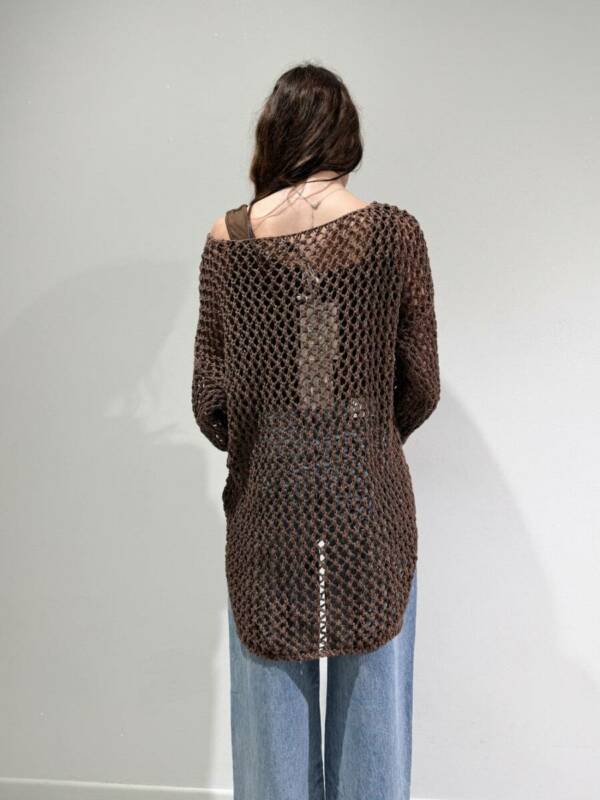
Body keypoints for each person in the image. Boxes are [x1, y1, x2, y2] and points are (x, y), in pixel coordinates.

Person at [191, 61, 441, 800]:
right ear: (345, 136)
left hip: (270, 506)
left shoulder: (228, 240)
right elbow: (421, 384)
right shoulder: (394, 234)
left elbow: (210, 401)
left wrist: (275, 444)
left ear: (274, 135)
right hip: (370, 503)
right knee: (374, 739)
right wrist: (362, 441)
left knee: (271, 750)